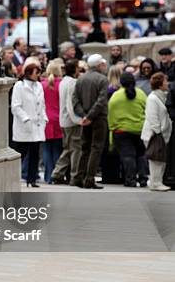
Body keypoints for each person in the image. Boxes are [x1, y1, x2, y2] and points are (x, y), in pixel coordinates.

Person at [73, 54, 109, 189]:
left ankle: (79, 177)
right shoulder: (102, 79)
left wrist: (84, 115)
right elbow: (101, 100)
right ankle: (89, 178)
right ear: (99, 65)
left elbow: (75, 100)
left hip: (85, 118)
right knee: (96, 148)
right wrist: (90, 116)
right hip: (98, 118)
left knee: (85, 148)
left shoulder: (81, 79)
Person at [108, 72, 148, 187]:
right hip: (139, 129)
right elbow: (147, 110)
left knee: (127, 156)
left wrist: (112, 128)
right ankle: (143, 178)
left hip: (121, 131)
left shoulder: (116, 96)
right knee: (141, 155)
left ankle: (130, 180)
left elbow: (111, 114)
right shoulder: (141, 94)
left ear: (121, 82)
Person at [11, 63, 47, 187]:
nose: (38, 75)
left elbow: (42, 104)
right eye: (36, 73)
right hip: (24, 127)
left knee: (35, 154)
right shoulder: (19, 86)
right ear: (29, 73)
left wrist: (44, 117)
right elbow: (16, 106)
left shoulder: (39, 86)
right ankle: (14, 177)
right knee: (21, 153)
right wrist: (25, 119)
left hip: (37, 125)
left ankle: (31, 179)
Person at [51, 59, 82, 185]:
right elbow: (70, 104)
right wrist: (78, 120)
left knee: (68, 149)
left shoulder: (64, 82)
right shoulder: (72, 83)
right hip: (71, 121)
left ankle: (57, 173)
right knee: (75, 149)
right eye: (78, 68)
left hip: (64, 120)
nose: (79, 70)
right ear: (74, 69)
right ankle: (74, 176)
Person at [142, 72, 172, 191]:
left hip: (161, 133)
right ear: (160, 84)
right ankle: (156, 183)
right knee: (156, 159)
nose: (167, 83)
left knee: (159, 159)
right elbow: (152, 116)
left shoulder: (162, 96)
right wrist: (158, 131)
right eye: (165, 81)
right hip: (154, 134)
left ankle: (155, 181)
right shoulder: (153, 98)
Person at [41, 61, 63, 184]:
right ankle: (56, 175)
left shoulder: (41, 84)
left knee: (46, 149)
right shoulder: (61, 85)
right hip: (58, 119)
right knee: (57, 149)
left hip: (45, 119)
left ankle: (48, 176)